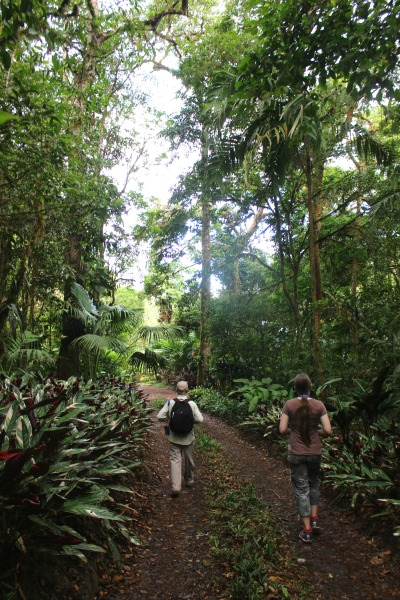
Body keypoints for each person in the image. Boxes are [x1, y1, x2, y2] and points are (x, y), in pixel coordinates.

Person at [279, 373, 332, 543]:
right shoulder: (319, 405)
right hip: (315, 452)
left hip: (296, 453)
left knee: (301, 489)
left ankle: (307, 530)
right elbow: (328, 430)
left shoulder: (289, 404)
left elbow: (282, 430)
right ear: (311, 387)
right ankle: (315, 519)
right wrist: (316, 432)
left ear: (295, 388)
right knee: (313, 482)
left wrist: (293, 430)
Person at [157, 381, 203, 498]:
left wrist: (169, 418)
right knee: (189, 459)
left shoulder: (170, 403)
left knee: (175, 461)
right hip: (188, 437)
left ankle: (176, 487)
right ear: (187, 390)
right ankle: (189, 480)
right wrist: (191, 421)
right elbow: (200, 419)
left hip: (174, 437)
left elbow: (160, 416)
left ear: (176, 390)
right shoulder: (192, 404)